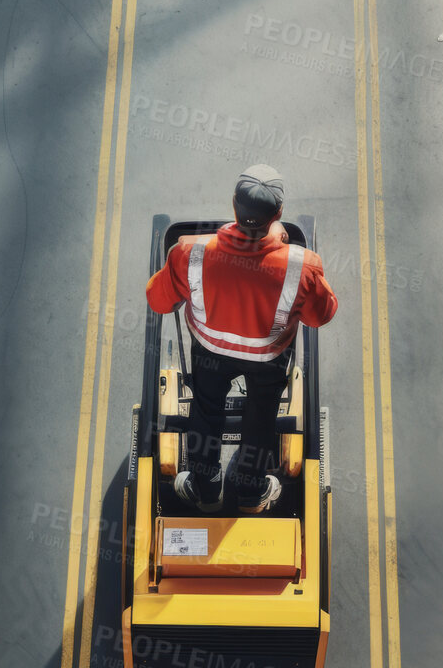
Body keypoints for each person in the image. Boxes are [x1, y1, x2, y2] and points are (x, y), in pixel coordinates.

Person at [144, 165, 339, 513]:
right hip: (269, 358)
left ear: (234, 205)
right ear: (278, 214)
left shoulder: (191, 255)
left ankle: (205, 490)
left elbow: (158, 301)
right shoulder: (302, 266)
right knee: (262, 414)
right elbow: (320, 315)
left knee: (206, 411)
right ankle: (250, 492)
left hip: (210, 351)